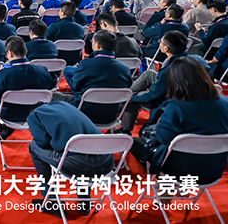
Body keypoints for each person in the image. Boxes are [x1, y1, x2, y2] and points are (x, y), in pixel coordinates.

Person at [130, 57, 228, 185]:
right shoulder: (225, 103)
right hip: (213, 170)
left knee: (134, 142)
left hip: (178, 170)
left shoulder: (177, 106)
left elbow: (162, 137)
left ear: (175, 80)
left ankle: (161, 187)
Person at [27, 101, 114, 214]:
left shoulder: (35, 115)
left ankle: (52, 201)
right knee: (84, 149)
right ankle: (84, 201)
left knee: (33, 146)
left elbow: (42, 143)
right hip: (106, 163)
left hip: (80, 165)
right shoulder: (64, 105)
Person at [121, 30, 209, 133]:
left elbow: (154, 95)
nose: (160, 44)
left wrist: (132, 98)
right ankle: (125, 95)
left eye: (161, 42)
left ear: (166, 48)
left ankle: (125, 129)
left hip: (172, 98)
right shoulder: (197, 59)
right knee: (149, 74)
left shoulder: (169, 70)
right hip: (193, 96)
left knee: (134, 99)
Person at [0, 37, 54, 139]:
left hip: (8, 114)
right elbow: (49, 87)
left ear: (10, 53)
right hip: (35, 112)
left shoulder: (4, 74)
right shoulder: (42, 71)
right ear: (25, 51)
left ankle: (0, 129)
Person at [55, 30, 132, 125]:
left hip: (83, 113)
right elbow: (127, 87)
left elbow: (75, 86)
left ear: (97, 45)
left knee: (52, 96)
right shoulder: (125, 69)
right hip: (111, 115)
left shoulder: (86, 64)